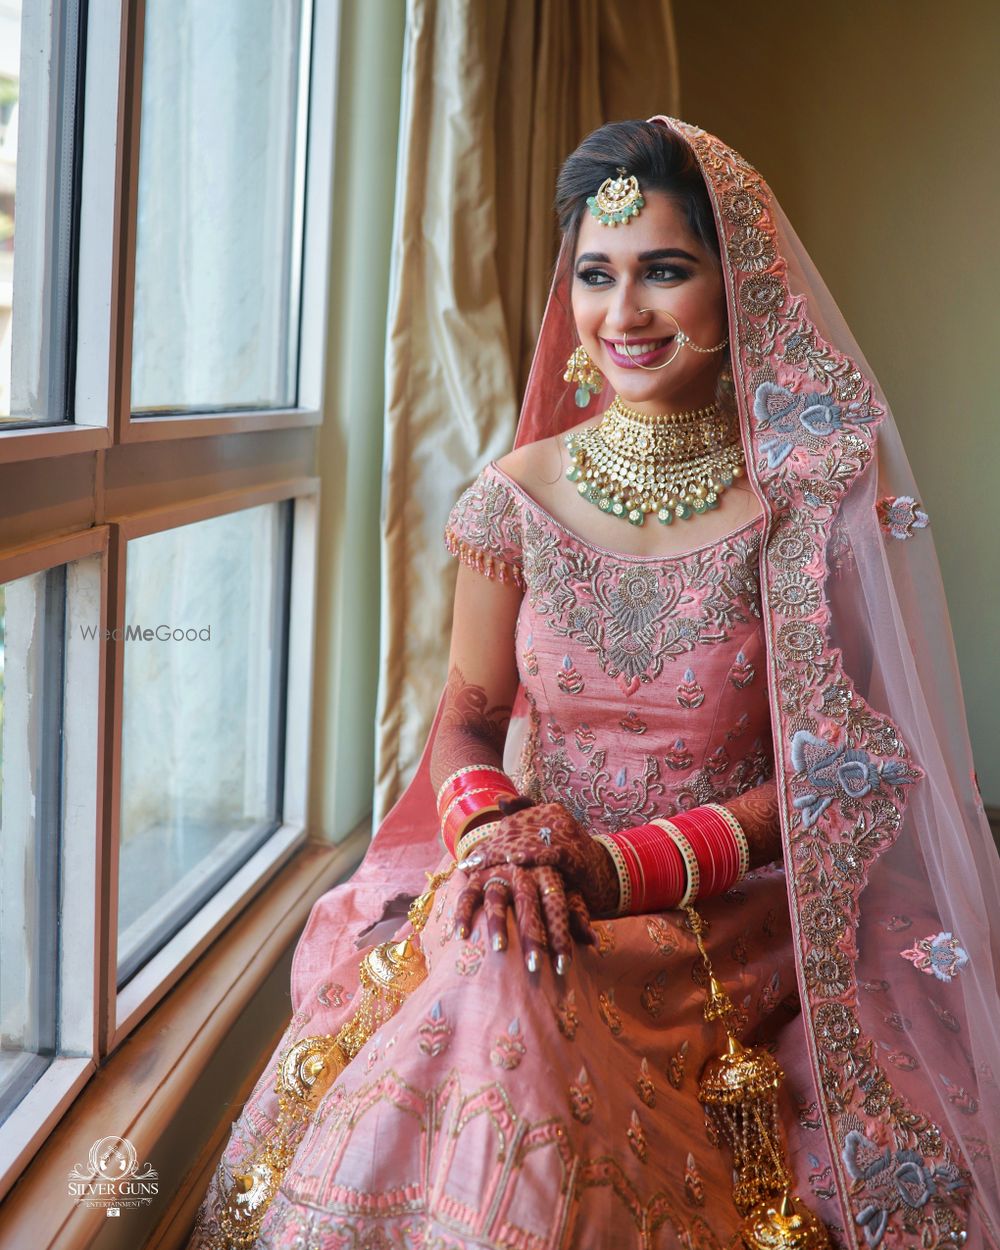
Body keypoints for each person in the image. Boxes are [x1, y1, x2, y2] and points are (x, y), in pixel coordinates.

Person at [188, 117, 1000, 1250]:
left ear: (739, 286)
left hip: (731, 917)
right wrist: (503, 845)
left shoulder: (806, 509)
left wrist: (613, 870)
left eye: (665, 271)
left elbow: (836, 781)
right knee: (498, 959)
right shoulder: (511, 499)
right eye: (596, 275)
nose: (623, 314)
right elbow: (466, 725)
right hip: (532, 887)